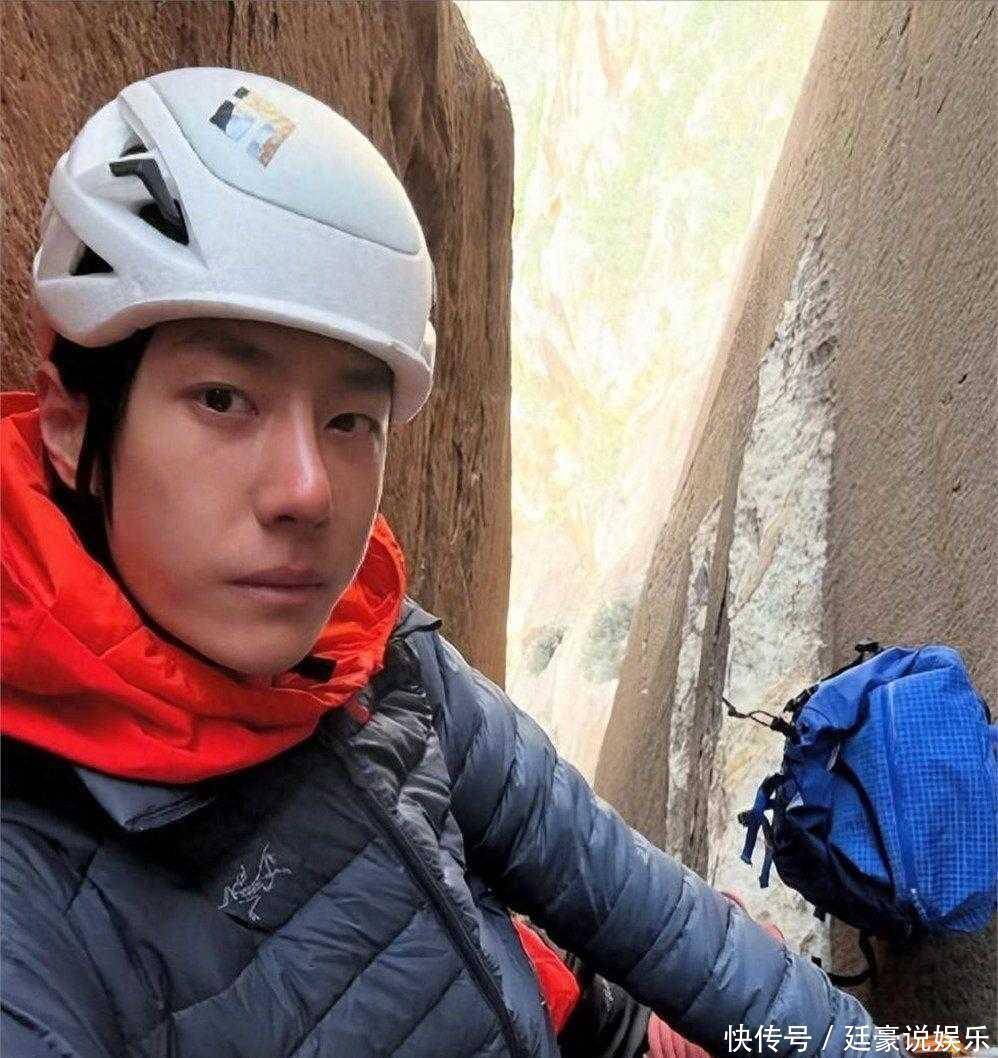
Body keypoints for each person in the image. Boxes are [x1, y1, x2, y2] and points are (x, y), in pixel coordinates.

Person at [1, 67, 904, 1058]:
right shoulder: (29, 883)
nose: (307, 490)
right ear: (71, 425)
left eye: (351, 417)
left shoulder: (374, 655)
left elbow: (635, 902)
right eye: (223, 398)